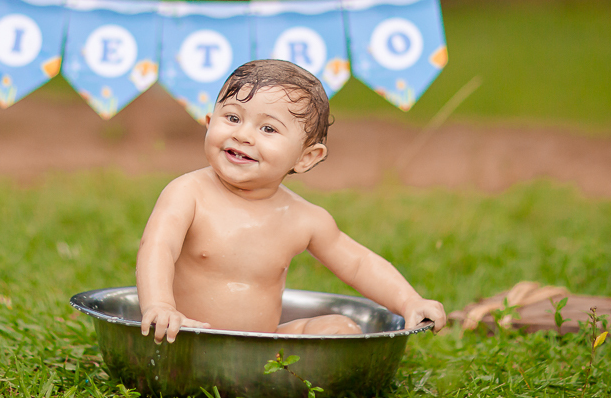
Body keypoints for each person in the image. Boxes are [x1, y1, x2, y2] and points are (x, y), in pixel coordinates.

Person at [136, 59, 447, 342]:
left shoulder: (303, 218)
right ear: (208, 121)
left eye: (268, 128)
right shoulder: (188, 193)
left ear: (306, 157)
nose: (243, 135)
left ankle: (289, 375)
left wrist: (410, 301)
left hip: (266, 344)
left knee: (341, 328)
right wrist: (161, 305)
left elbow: (359, 263)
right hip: (189, 335)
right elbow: (157, 247)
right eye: (232, 117)